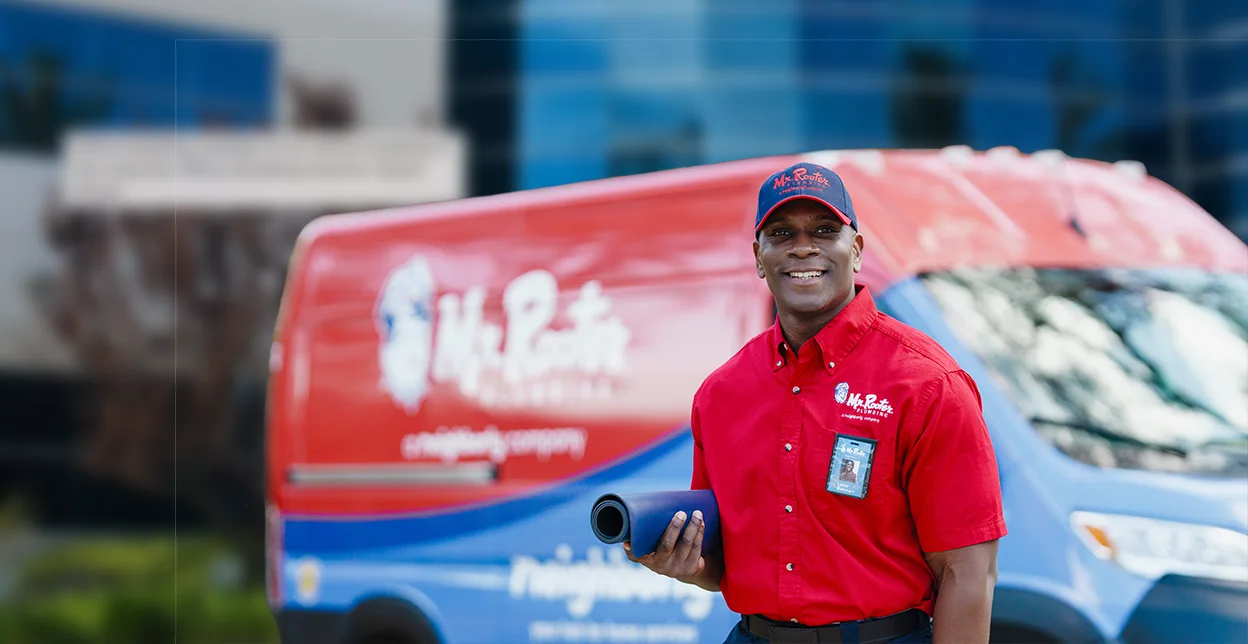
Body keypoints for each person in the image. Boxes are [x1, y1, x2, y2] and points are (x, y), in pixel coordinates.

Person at [623, 162, 1007, 644]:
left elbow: (968, 573)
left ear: (857, 250)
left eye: (825, 230)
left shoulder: (927, 383)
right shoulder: (721, 393)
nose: (803, 246)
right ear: (759, 258)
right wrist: (686, 563)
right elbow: (722, 562)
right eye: (781, 233)